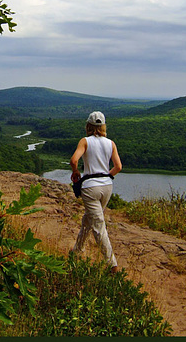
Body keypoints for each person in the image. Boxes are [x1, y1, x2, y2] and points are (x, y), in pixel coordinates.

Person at [69, 111, 122, 273]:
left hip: (90, 187)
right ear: (103, 126)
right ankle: (77, 250)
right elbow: (118, 167)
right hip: (107, 187)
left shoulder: (85, 142)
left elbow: (73, 160)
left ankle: (112, 264)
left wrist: (76, 172)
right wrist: (106, 176)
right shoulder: (110, 143)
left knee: (98, 225)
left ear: (89, 126)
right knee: (90, 218)